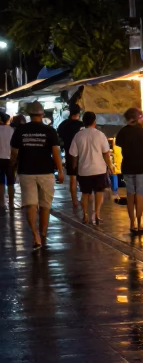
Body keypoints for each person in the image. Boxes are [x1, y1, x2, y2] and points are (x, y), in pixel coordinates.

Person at [10, 102, 63, 252]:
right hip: (46, 172)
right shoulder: (49, 130)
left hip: (26, 172)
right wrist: (60, 170)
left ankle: (35, 236)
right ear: (42, 114)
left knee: (31, 205)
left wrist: (13, 166)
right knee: (45, 206)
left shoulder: (20, 130)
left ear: (29, 115)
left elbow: (14, 153)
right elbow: (56, 152)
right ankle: (43, 234)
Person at [115, 108, 143, 235]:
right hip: (142, 167)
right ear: (136, 117)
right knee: (140, 195)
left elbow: (119, 144)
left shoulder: (122, 132)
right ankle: (139, 224)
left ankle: (132, 224)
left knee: (130, 195)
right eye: (141, 116)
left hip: (127, 167)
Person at [69, 111, 112, 225]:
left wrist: (74, 166)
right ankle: (97, 214)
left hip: (84, 170)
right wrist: (110, 166)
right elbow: (106, 153)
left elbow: (74, 154)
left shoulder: (78, 135)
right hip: (99, 169)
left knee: (85, 193)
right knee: (99, 192)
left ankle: (85, 215)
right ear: (94, 121)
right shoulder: (100, 135)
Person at [57, 102, 84, 214]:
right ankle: (84, 199)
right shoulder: (81, 125)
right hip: (81, 154)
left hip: (69, 153)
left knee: (73, 178)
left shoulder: (63, 124)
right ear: (78, 113)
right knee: (83, 177)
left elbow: (59, 136)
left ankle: (74, 201)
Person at [0, 113, 14, 210]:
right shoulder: (12, 130)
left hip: (0, 159)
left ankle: (1, 202)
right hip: (10, 159)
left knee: (1, 182)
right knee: (10, 182)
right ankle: (11, 203)